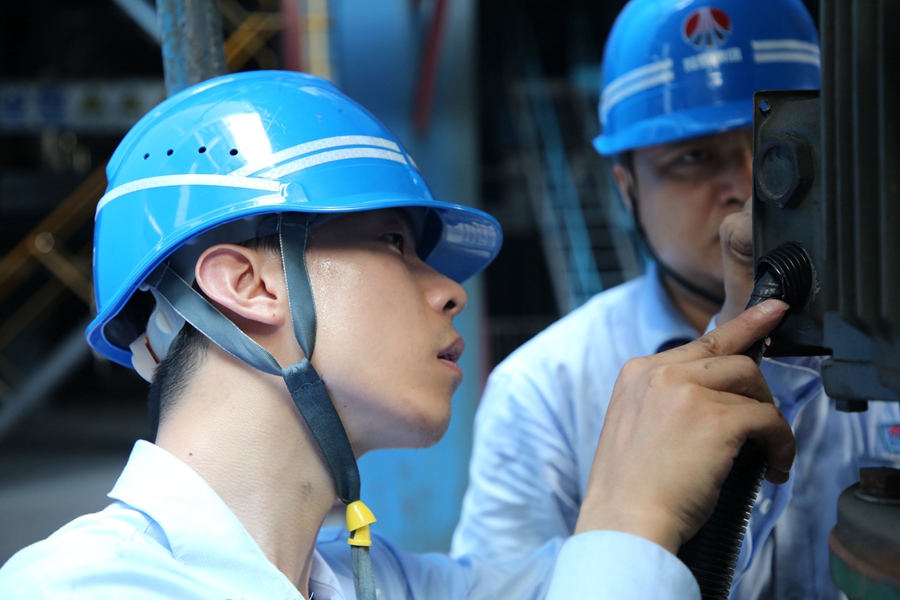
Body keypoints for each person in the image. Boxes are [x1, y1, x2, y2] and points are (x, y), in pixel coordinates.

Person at [0, 70, 797, 599]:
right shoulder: (81, 586)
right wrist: (626, 510)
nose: (450, 290)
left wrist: (744, 324)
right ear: (248, 284)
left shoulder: (379, 583)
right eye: (393, 243)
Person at [451, 1, 900, 598]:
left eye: (779, 147)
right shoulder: (546, 388)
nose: (749, 185)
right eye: (694, 158)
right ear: (626, 187)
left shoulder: (886, 340)